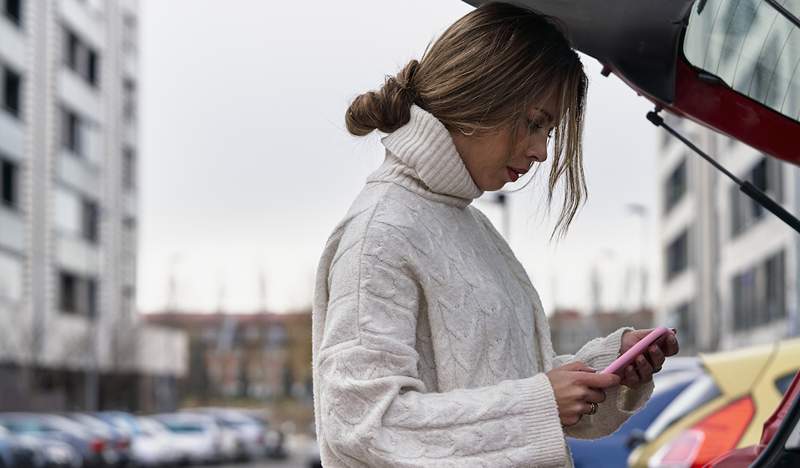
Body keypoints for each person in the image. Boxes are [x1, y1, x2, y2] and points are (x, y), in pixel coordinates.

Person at [311, 2, 679, 467]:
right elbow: (362, 426)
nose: (543, 152)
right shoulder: (380, 232)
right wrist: (541, 402)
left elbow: (503, 388)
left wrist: (605, 369)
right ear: (481, 95)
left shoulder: (467, 224)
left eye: (550, 130)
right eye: (535, 122)